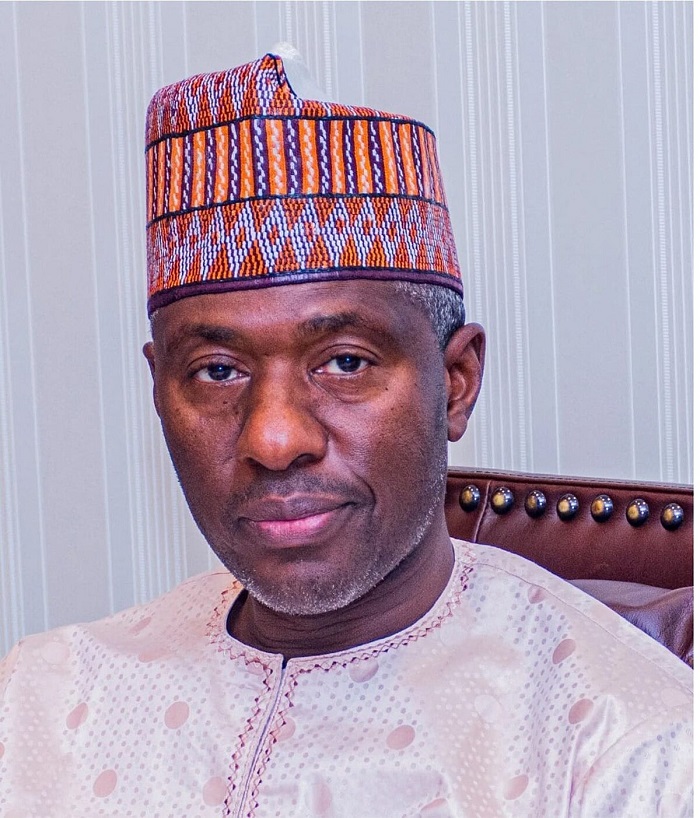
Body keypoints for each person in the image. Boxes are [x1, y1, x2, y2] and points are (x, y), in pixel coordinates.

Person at [0, 53, 691, 817]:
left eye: (345, 362)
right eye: (218, 371)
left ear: (456, 381)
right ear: (159, 388)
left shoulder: (629, 748)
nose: (273, 439)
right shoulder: (40, 703)